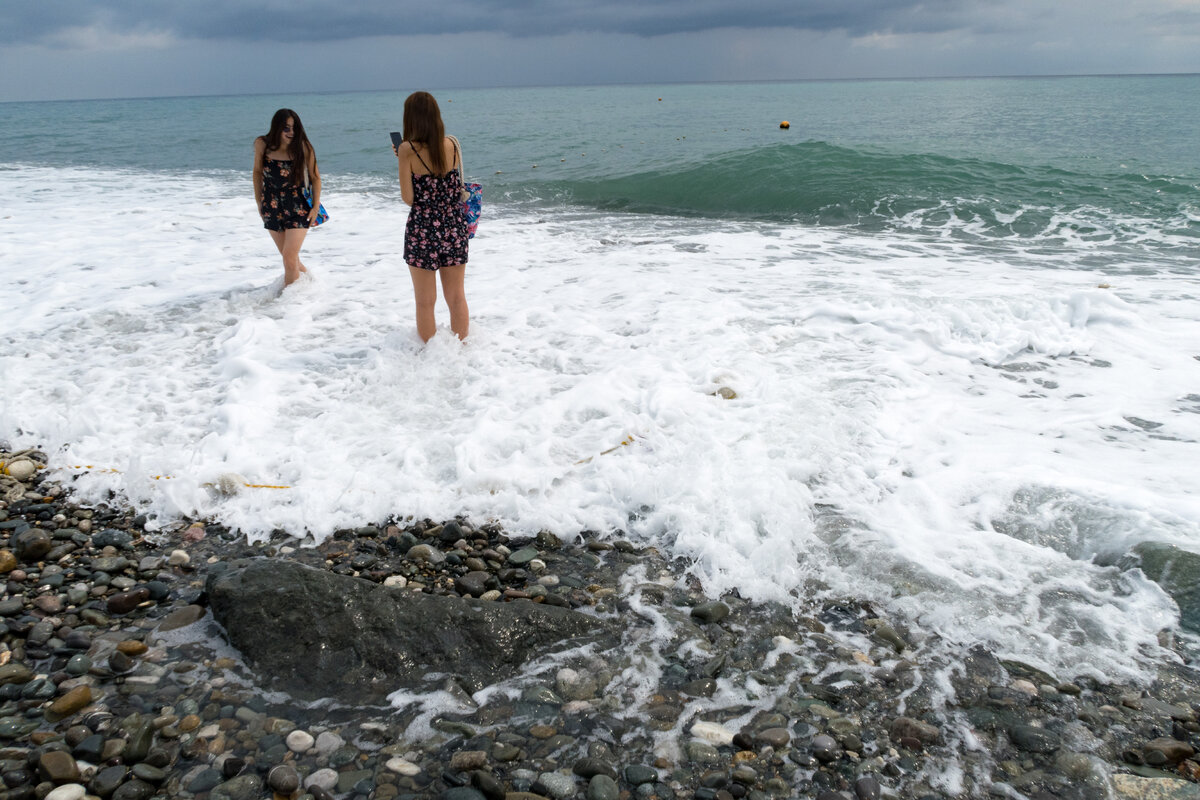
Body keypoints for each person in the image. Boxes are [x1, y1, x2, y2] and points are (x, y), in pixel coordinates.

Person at [394, 91, 469, 341]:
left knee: (425, 302)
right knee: (456, 297)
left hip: (423, 229)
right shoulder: (453, 144)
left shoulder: (406, 149)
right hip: (454, 226)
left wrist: (403, 160)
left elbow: (409, 198)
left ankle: (430, 359)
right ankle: (462, 351)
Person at [253, 108, 321, 288]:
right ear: (276, 128)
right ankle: (312, 287)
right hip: (271, 205)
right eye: (286, 128)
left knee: (289, 257)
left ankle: (288, 306)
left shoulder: (304, 147)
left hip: (298, 207)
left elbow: (315, 178)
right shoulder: (262, 144)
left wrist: (315, 207)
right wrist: (259, 202)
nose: (291, 133)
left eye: (294, 128)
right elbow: (257, 172)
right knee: (290, 258)